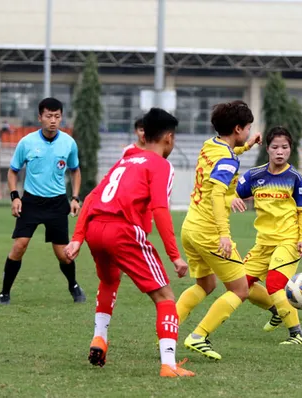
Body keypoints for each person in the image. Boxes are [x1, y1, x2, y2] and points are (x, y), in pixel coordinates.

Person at [64, 108, 195, 378]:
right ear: (169, 138)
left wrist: (77, 238)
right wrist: (174, 256)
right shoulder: (160, 164)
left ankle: (99, 337)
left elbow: (90, 198)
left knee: (109, 279)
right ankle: (169, 365)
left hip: (94, 229)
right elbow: (160, 209)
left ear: (143, 133)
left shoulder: (126, 159)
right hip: (122, 232)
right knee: (165, 297)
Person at [175, 100, 263, 361]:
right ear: (237, 128)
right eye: (247, 128)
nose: (248, 132)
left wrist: (248, 146)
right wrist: (224, 234)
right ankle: (199, 336)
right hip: (210, 233)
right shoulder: (227, 160)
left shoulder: (210, 144)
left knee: (206, 283)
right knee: (240, 290)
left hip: (190, 227)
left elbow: (227, 157)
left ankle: (168, 328)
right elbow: (216, 193)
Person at [0, 97, 84, 305]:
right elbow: (12, 172)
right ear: (40, 117)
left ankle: (73, 285)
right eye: (48, 116)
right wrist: (15, 197)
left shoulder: (68, 143)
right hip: (31, 202)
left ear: (61, 117)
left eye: (57, 116)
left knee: (64, 254)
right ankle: (4, 292)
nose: (53, 121)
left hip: (57, 203)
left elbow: (75, 170)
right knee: (20, 246)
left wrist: (75, 197)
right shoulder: (27, 142)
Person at [232, 126, 302, 345]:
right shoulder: (255, 175)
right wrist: (231, 197)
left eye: (284, 147)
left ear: (290, 150)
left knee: (275, 284)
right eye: (275, 147)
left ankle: (297, 334)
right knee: (241, 285)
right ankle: (276, 309)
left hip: (288, 242)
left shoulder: (295, 178)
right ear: (267, 148)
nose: (279, 151)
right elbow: (228, 190)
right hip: (263, 243)